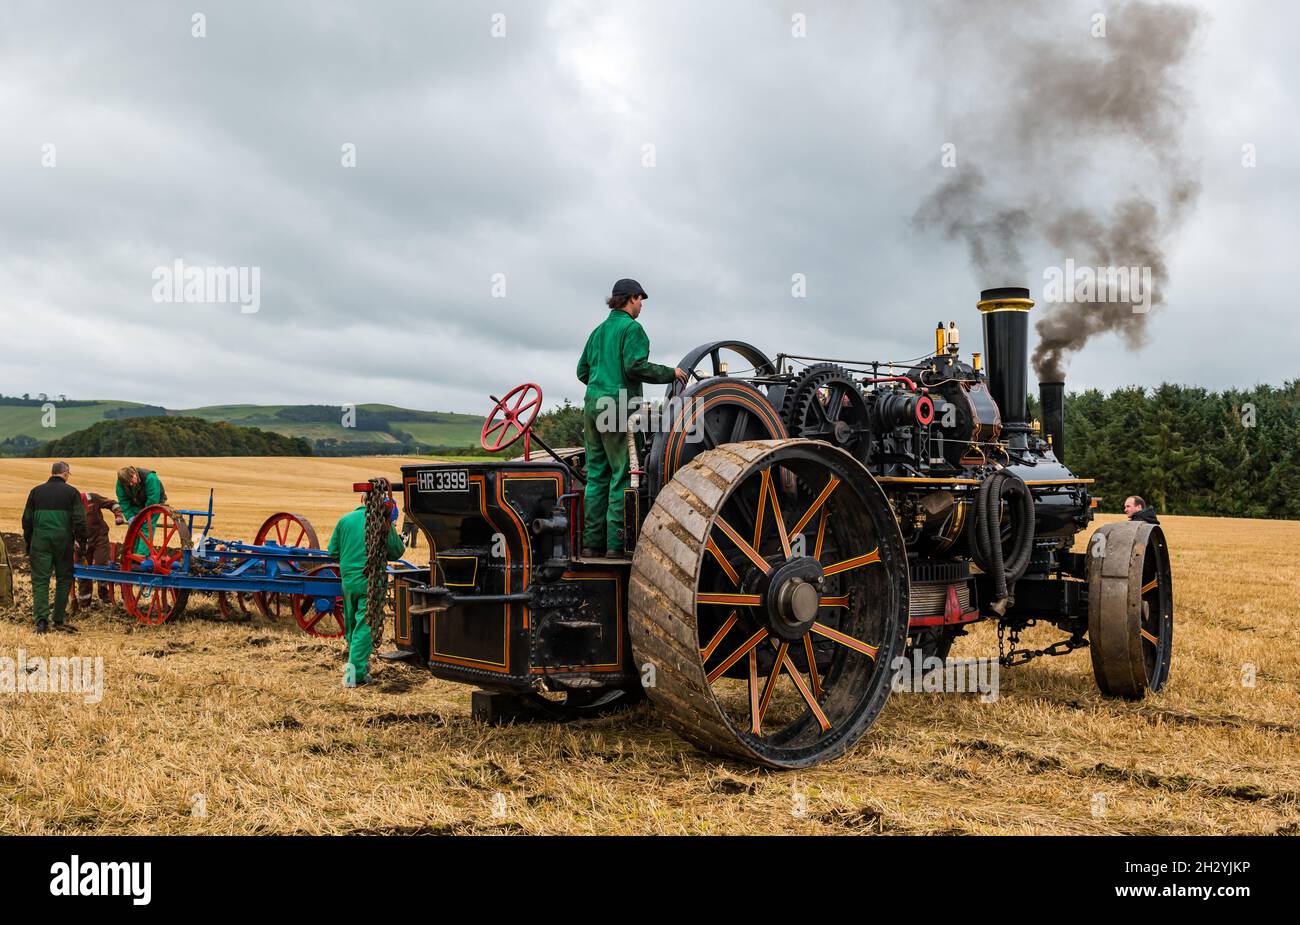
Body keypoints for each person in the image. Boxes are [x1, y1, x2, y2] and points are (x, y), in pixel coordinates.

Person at [576, 278, 687, 558]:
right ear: (631, 299)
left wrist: (602, 383)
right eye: (640, 301)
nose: (641, 307)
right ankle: (616, 545)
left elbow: (582, 372)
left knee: (596, 474)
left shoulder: (597, 331)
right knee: (623, 473)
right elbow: (634, 366)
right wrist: (670, 373)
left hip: (592, 405)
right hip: (618, 406)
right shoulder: (632, 329)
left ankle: (591, 545)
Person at [327, 497, 406, 688]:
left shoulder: (344, 520)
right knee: (366, 625)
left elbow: (332, 552)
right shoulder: (382, 522)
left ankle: (355, 665)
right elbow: (396, 552)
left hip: (348, 582)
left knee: (352, 624)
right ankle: (355, 676)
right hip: (370, 582)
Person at [21, 461, 88, 634]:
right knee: (64, 578)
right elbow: (80, 520)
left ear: (52, 473)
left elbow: (26, 521)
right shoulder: (72, 493)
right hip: (63, 541)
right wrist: (82, 542)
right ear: (65, 474)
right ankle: (58, 619)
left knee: (40, 581)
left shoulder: (36, 492)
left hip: (40, 541)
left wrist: (29, 543)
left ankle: (41, 622)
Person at [76, 490, 125, 606]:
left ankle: (104, 594)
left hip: (99, 537)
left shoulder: (92, 498)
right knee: (83, 570)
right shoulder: (67, 506)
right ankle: (84, 601)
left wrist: (118, 515)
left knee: (102, 564)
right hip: (82, 542)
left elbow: (113, 503)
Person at [116, 465, 166, 555]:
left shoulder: (150, 478)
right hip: (137, 503)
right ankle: (131, 555)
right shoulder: (121, 482)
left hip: (155, 503)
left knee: (147, 526)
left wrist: (145, 516)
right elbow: (123, 501)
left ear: (134, 473)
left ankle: (141, 556)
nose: (131, 484)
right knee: (134, 527)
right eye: (128, 484)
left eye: (131, 481)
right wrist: (130, 517)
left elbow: (152, 500)